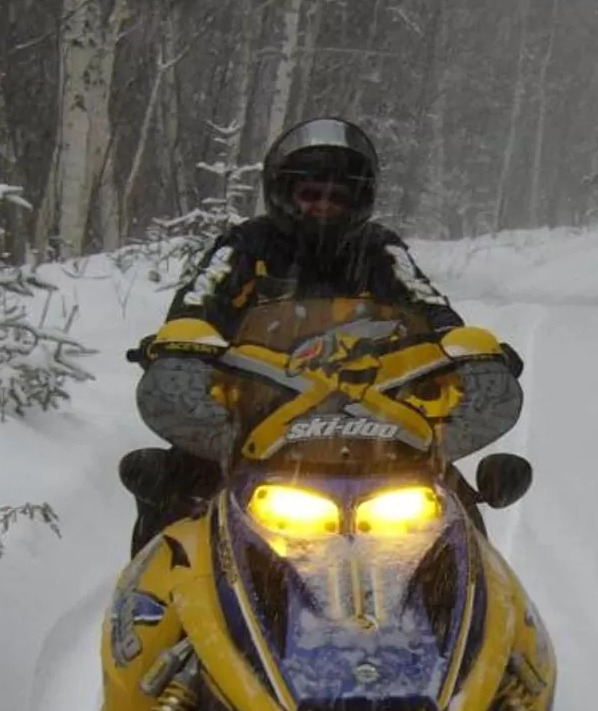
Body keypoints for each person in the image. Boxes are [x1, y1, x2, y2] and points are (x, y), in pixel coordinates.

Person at [118, 116, 487, 550]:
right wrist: (179, 344)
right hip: (254, 422)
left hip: (375, 419)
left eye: (337, 196)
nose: (323, 205)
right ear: (283, 191)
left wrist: (464, 351)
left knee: (456, 507)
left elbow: (430, 306)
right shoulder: (244, 245)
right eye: (311, 194)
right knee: (170, 493)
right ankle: (153, 608)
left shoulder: (380, 249)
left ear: (358, 199)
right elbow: (198, 302)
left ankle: (481, 606)